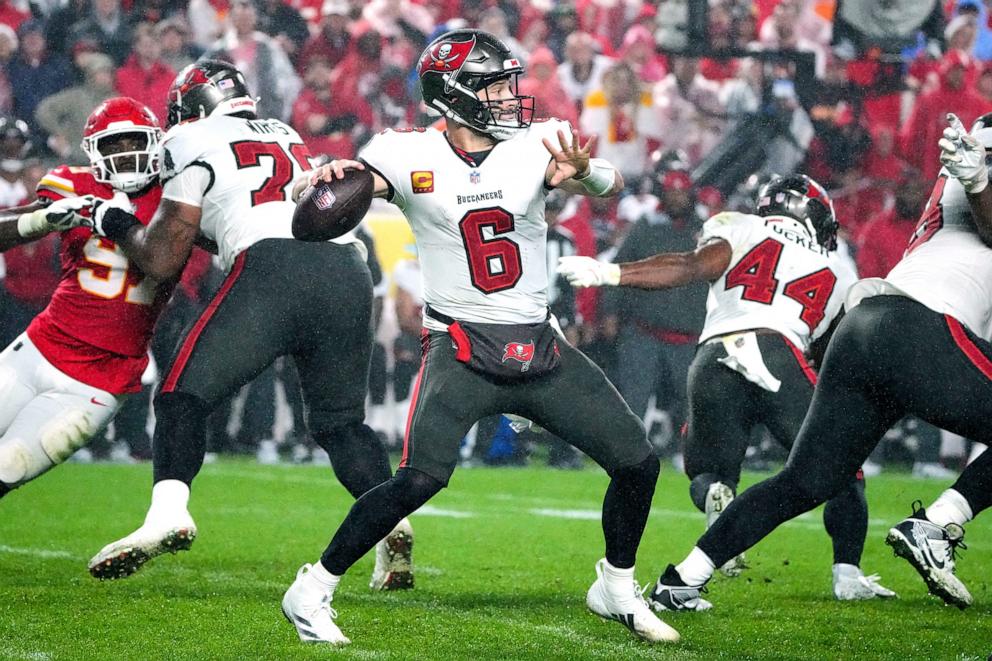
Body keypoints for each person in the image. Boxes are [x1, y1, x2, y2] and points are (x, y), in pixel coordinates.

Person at [279, 29, 678, 646]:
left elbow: (607, 180)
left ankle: (616, 587)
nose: (509, 96)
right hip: (461, 347)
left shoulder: (535, 143)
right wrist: (317, 177)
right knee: (418, 480)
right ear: (454, 94)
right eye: (494, 85)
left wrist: (583, 177)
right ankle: (311, 589)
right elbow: (330, 194)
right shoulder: (404, 152)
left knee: (638, 463)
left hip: (539, 345)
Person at [642, 113, 992, 614]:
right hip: (919, 325)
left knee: (806, 481)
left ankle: (682, 578)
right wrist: (979, 177)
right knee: (814, 480)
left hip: (864, 325)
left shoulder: (952, 188)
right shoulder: (973, 177)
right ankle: (938, 524)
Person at [84, 61, 412, 593]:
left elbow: (164, 259)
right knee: (339, 424)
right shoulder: (286, 133)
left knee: (180, 398)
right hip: (347, 270)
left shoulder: (187, 137)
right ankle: (391, 521)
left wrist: (116, 222)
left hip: (274, 269)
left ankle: (167, 511)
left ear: (191, 108)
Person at [559, 174, 895, 601]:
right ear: (813, 216)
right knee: (844, 470)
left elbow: (691, 266)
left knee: (707, 472)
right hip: (780, 351)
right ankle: (847, 575)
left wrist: (610, 272)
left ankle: (717, 499)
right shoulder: (840, 266)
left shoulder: (741, 225)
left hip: (714, 355)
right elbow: (831, 353)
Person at [0, 97, 168, 498]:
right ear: (95, 151)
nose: (126, 153)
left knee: (9, 465)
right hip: (38, 348)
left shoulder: (179, 200)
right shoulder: (74, 183)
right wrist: (43, 218)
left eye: (133, 142)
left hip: (98, 378)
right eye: (113, 145)